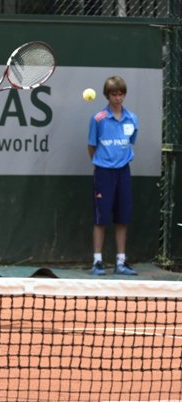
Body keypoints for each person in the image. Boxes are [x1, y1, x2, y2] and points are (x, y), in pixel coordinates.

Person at [87, 75, 138, 276]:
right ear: (107, 96)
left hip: (123, 172)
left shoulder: (132, 119)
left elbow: (131, 142)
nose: (118, 98)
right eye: (114, 94)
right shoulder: (98, 119)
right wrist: (101, 164)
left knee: (122, 218)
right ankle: (97, 262)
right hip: (103, 173)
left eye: (121, 94)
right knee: (100, 219)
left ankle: (121, 262)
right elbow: (92, 146)